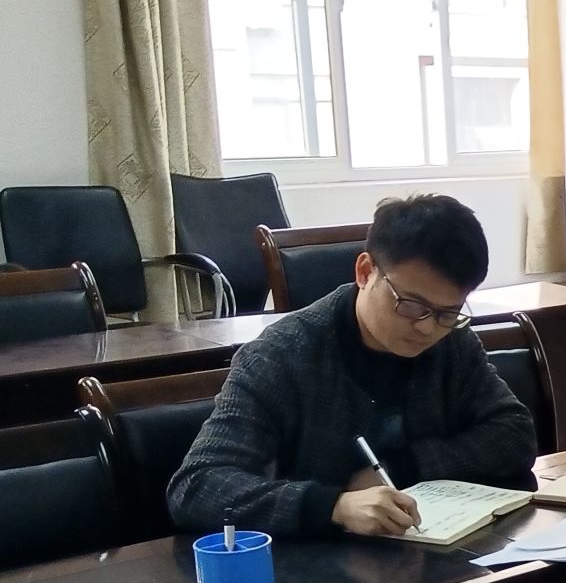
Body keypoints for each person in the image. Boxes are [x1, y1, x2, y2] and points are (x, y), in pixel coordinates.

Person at [168, 194, 536, 540]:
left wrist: (404, 467)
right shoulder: (280, 355)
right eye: (411, 305)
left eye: (448, 312)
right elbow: (196, 487)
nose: (427, 328)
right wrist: (333, 507)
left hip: (433, 551)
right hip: (321, 567)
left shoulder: (451, 340)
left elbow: (515, 434)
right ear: (365, 271)